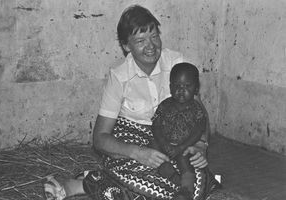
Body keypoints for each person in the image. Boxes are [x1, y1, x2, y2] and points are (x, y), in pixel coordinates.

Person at [44, 4, 214, 200]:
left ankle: (98, 183)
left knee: (194, 181)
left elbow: (198, 111)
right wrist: (138, 153)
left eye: (154, 36)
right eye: (140, 40)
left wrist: (201, 145)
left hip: (176, 140)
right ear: (126, 46)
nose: (151, 46)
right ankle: (90, 183)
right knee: (145, 184)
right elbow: (100, 138)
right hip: (133, 141)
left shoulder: (177, 63)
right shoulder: (119, 77)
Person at [151, 63, 219, 199]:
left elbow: (198, 130)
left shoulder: (196, 110)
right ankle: (170, 173)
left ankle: (186, 191)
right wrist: (163, 143)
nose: (181, 90)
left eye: (187, 86)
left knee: (185, 160)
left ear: (196, 89)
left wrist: (182, 146)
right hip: (163, 142)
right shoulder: (164, 105)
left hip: (184, 144)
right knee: (152, 147)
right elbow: (156, 126)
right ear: (170, 87)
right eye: (177, 86)